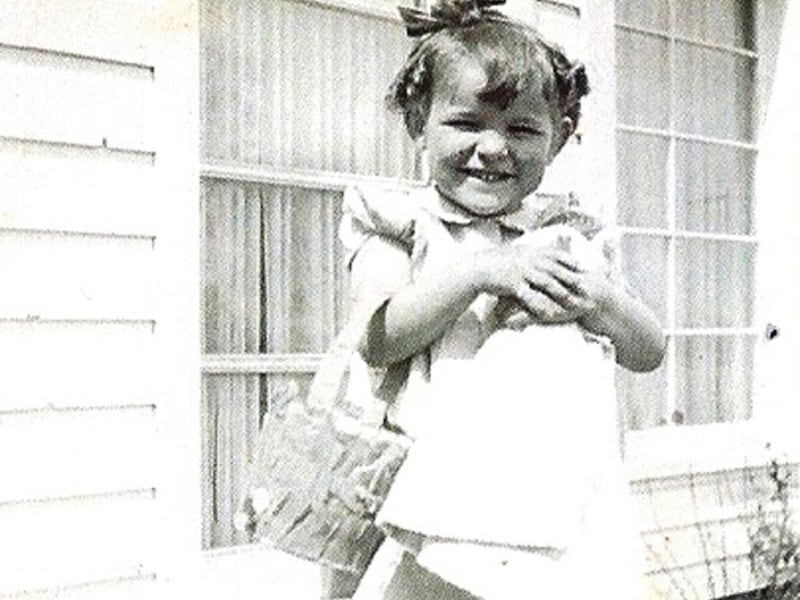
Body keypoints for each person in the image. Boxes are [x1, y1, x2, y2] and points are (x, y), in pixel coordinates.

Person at [338, 1, 666, 598]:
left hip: (549, 503)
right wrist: (482, 272)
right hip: (429, 503)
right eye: (466, 124)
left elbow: (648, 350)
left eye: (521, 129)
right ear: (419, 121)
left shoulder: (568, 235)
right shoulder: (402, 226)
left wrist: (595, 300)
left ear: (560, 138)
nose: (493, 148)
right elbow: (378, 339)